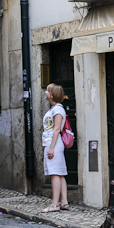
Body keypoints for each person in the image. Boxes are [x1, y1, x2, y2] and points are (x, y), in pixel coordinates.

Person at [41, 83, 69, 213]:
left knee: (54, 174)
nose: (45, 93)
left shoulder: (58, 110)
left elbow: (57, 129)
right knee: (60, 173)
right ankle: (64, 202)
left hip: (54, 144)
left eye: (47, 91)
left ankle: (55, 204)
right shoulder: (55, 109)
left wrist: (51, 147)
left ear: (52, 94)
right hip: (53, 143)